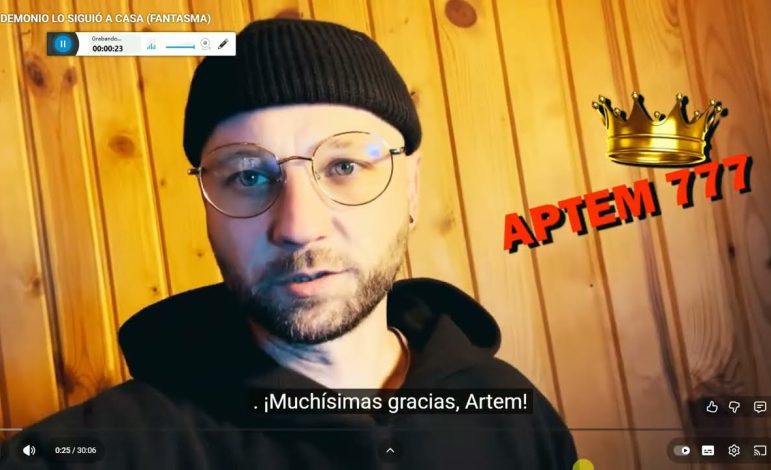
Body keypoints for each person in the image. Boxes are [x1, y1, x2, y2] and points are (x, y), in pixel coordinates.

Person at [0, 18, 577, 469]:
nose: (298, 226)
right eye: (249, 175)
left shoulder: (514, 411)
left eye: (344, 165)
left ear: (411, 187)